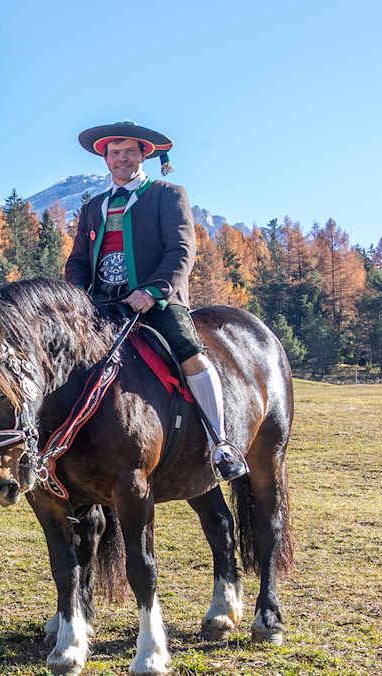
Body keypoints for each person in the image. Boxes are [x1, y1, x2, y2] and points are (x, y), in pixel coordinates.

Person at [65, 120, 248, 481]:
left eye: (128, 152)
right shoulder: (93, 207)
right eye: (113, 153)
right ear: (105, 159)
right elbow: (78, 261)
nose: (120, 159)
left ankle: (220, 443)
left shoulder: (167, 195)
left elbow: (181, 249)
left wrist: (151, 291)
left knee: (190, 353)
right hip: (101, 306)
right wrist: (79, 297)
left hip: (158, 302)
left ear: (144, 154)